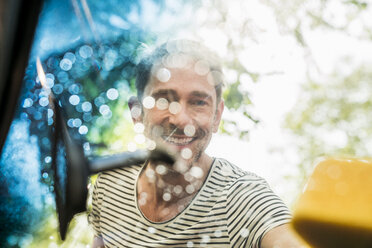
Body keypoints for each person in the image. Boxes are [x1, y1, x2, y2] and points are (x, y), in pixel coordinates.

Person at [89, 40, 303, 247]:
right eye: (164, 99)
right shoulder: (109, 184)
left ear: (217, 116)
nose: (181, 120)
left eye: (199, 102)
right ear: (137, 112)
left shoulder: (242, 199)